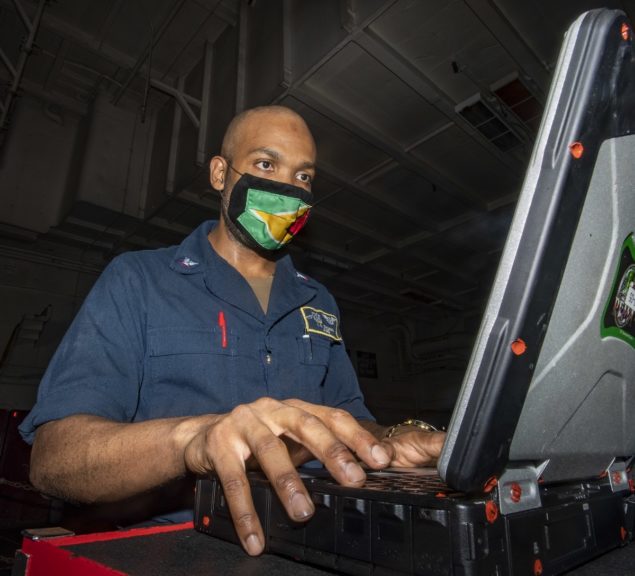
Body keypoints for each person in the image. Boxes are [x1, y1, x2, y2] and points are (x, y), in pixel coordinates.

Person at [19, 105, 445, 556]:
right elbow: (54, 460)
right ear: (221, 175)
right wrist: (192, 440)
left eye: (303, 176)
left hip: (306, 542)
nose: (287, 187)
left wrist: (391, 442)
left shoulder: (319, 301)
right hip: (169, 550)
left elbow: (348, 419)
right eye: (266, 164)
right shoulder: (138, 279)